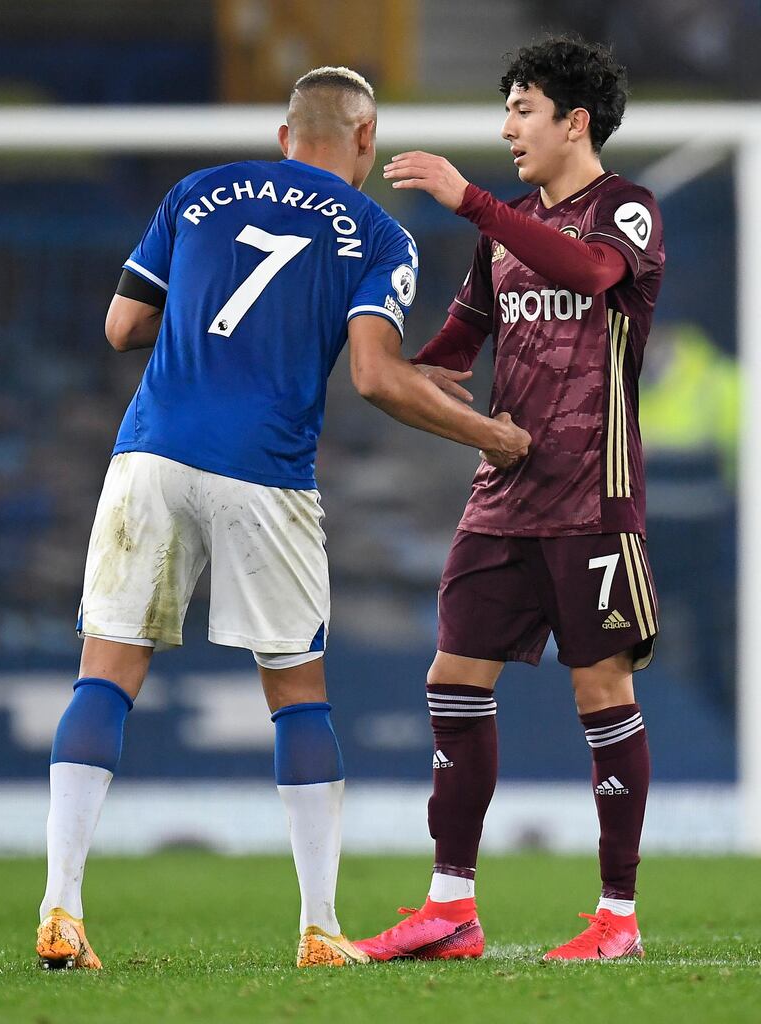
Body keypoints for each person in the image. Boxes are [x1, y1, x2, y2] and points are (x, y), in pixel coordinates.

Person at [34, 66, 530, 971]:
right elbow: (377, 376)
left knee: (103, 678)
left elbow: (119, 327)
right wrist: (485, 436)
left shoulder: (196, 191)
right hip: (264, 471)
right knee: (296, 693)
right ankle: (318, 928)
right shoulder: (378, 233)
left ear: (283, 134)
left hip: (150, 455)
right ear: (367, 140)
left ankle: (61, 908)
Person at [356, 36, 664, 963]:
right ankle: (451, 908)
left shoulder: (630, 212)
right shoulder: (503, 236)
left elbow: (592, 275)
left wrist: (472, 200)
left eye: (523, 109)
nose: (507, 128)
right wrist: (385, 360)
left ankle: (618, 917)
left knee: (600, 687)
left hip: (594, 496)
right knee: (453, 680)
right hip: (502, 499)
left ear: (575, 121)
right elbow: (456, 346)